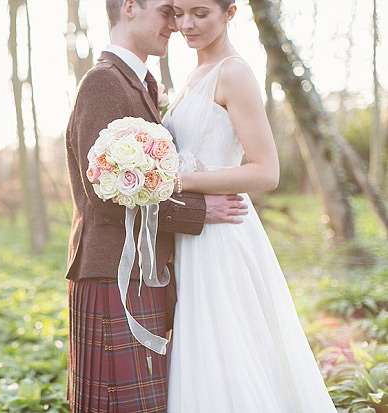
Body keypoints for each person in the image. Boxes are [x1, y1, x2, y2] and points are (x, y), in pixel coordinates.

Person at [64, 0, 248, 411]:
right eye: (167, 11)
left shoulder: (136, 83)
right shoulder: (104, 82)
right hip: (113, 273)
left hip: (141, 271)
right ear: (129, 6)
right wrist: (200, 212)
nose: (176, 24)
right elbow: (105, 194)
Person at [163, 0, 337, 411]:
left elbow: (265, 172)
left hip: (222, 236)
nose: (186, 24)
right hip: (193, 233)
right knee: (204, 353)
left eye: (200, 13)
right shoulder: (193, 75)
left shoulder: (234, 72)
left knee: (232, 352)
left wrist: (176, 182)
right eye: (178, 12)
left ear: (230, 12)